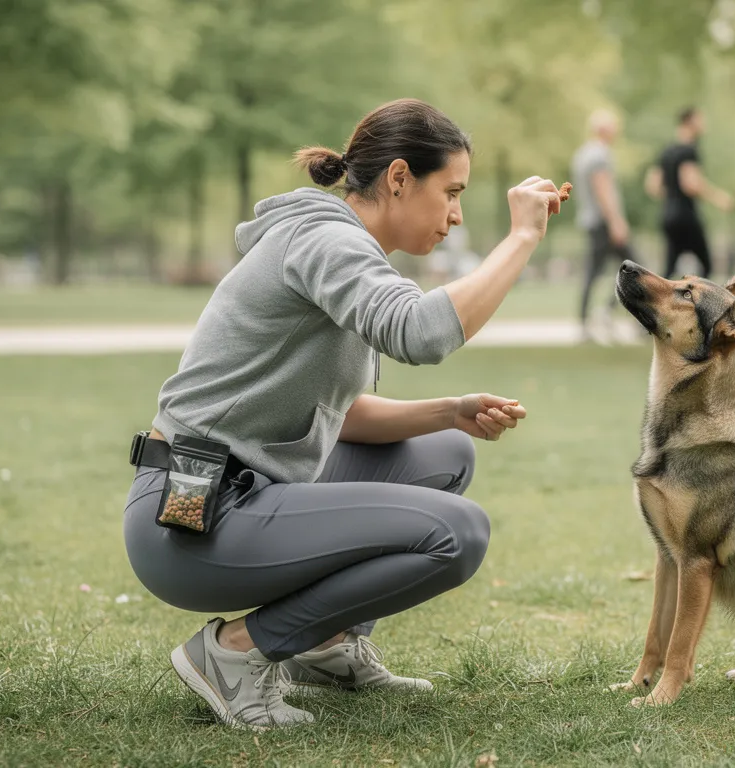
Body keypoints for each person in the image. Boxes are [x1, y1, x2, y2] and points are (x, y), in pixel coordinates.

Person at [122, 99, 567, 730]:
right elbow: (419, 333)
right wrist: (522, 237)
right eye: (452, 192)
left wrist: (451, 411)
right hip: (191, 517)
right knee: (457, 535)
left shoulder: (343, 245)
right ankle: (233, 654)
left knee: (446, 453)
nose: (456, 215)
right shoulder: (326, 239)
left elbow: (339, 414)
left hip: (245, 492)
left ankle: (324, 645)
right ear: (398, 178)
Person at [644, 106, 734, 279]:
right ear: (690, 121)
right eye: (701, 119)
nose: (704, 124)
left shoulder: (666, 151)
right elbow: (691, 184)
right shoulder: (689, 150)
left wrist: (671, 195)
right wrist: (719, 198)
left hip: (668, 215)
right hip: (685, 215)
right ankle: (698, 304)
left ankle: (657, 303)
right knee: (706, 265)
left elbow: (652, 186)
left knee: (669, 269)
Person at [569, 108, 634, 344]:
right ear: (603, 129)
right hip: (604, 222)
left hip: (591, 221)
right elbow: (602, 189)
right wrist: (616, 221)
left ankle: (588, 320)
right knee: (634, 268)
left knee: (594, 271)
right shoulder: (599, 155)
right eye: (613, 126)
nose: (616, 131)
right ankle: (602, 313)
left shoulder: (582, 154)